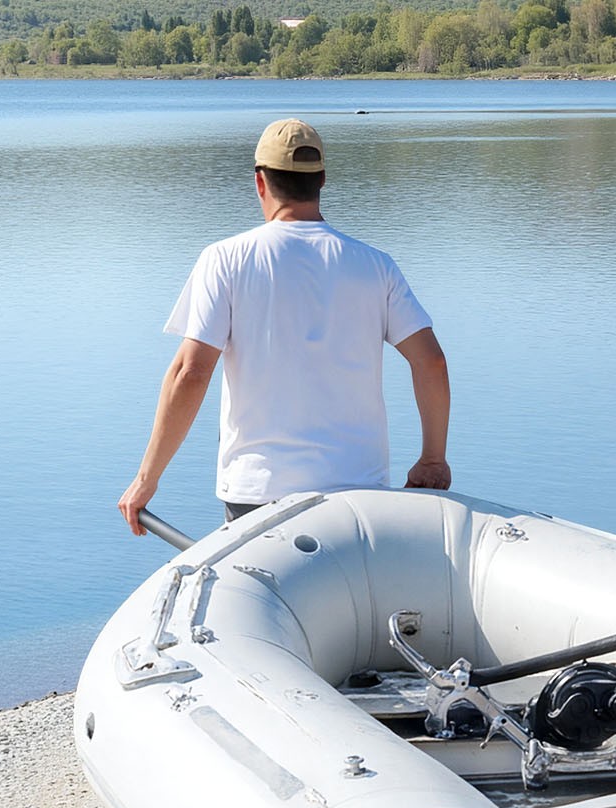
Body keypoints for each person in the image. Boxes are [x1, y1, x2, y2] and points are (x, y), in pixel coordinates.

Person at [119, 118, 450, 535]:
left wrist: (147, 479)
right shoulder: (376, 266)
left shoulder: (225, 260)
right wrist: (432, 460)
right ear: (323, 180)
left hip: (257, 494)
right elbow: (432, 363)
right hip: (360, 493)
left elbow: (190, 372)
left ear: (260, 183)